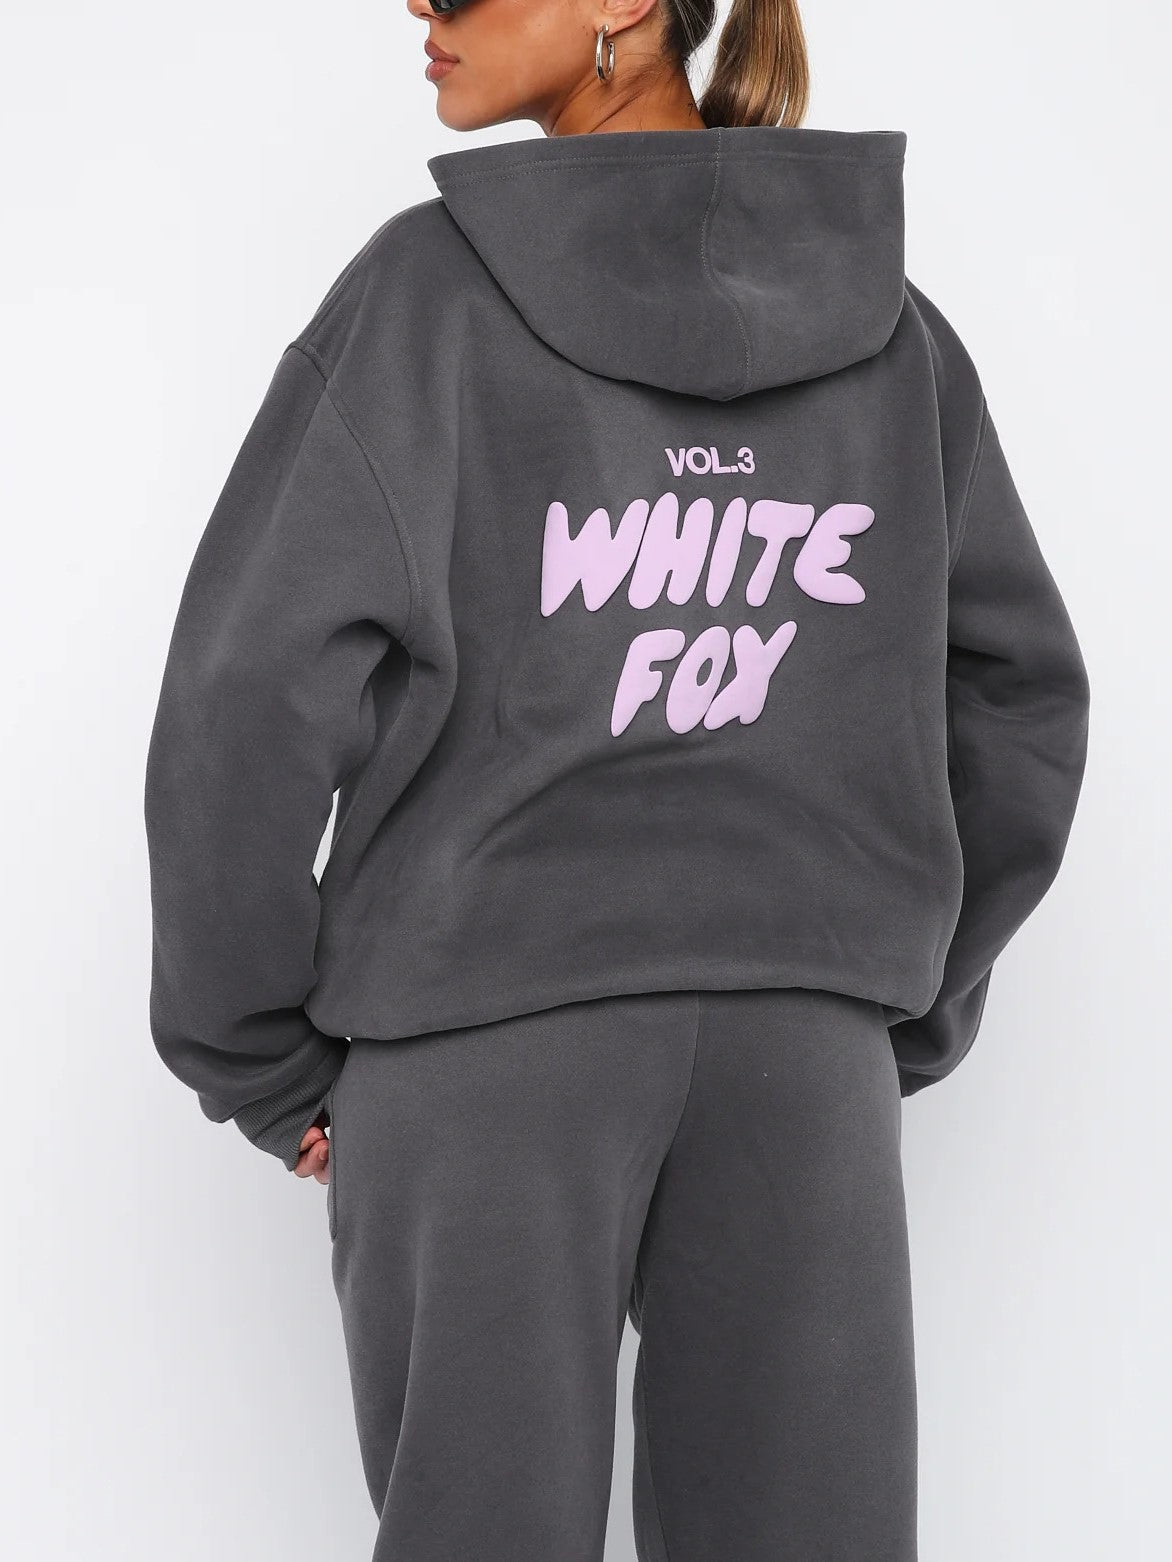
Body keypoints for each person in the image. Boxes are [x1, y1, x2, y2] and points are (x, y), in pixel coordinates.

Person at [142, 0, 1091, 1557]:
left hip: (485, 1046)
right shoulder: (891, 327)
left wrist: (256, 1051)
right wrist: (883, 1000)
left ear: (621, 5)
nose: (422, 6)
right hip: (803, 1061)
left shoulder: (422, 306)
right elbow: (1023, 695)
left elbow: (247, 695)